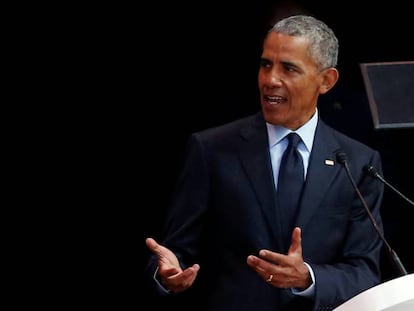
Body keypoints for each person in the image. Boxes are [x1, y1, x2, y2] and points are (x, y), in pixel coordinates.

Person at [144, 14, 384, 311]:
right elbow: (176, 251)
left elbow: (364, 272)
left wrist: (306, 278)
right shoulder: (212, 150)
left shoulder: (358, 162)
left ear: (326, 80)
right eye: (265, 64)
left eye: (289, 68)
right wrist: (167, 274)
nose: (270, 80)